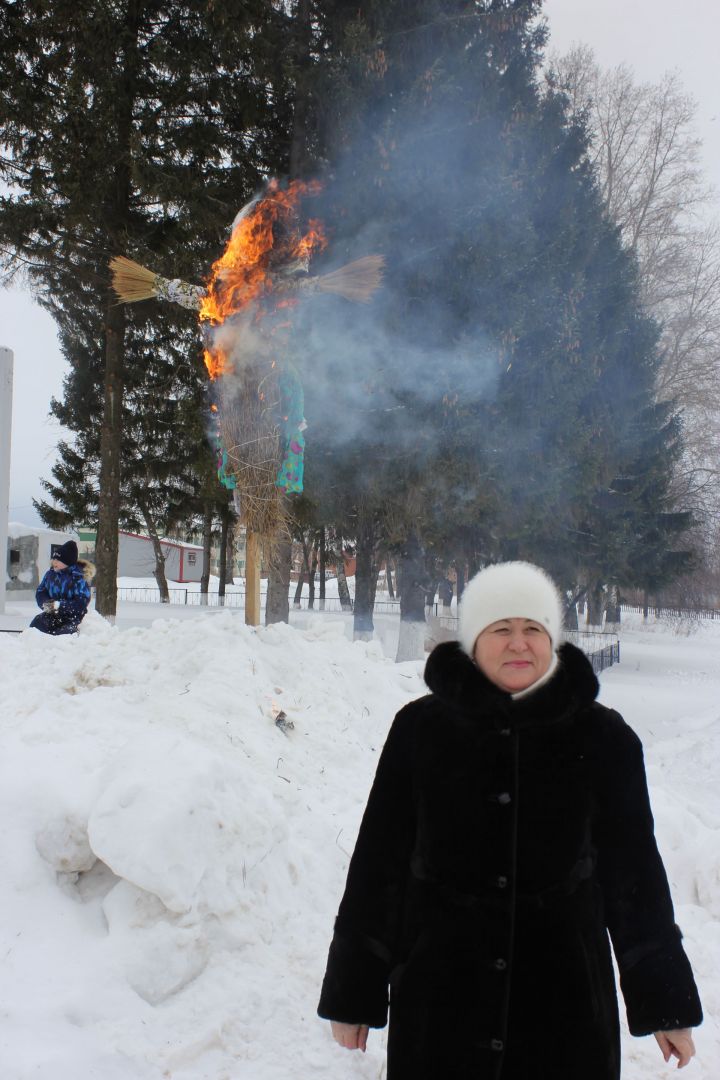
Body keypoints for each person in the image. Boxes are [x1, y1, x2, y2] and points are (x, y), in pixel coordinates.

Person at [318, 561, 702, 1079]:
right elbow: (377, 865)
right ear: (475, 642)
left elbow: (635, 877)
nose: (519, 644)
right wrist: (354, 993)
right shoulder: (421, 731)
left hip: (565, 1016)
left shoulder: (604, 740)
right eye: (501, 629)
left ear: (553, 640)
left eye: (533, 630)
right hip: (441, 1008)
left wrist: (665, 1003)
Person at [31, 540, 93, 636]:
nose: (54, 562)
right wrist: (46, 603)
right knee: (37, 624)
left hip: (73, 617)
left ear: (68, 562)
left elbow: (81, 602)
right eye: (54, 559)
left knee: (65, 634)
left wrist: (59, 605)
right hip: (52, 614)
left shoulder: (78, 578)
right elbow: (41, 591)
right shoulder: (50, 574)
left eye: (58, 560)